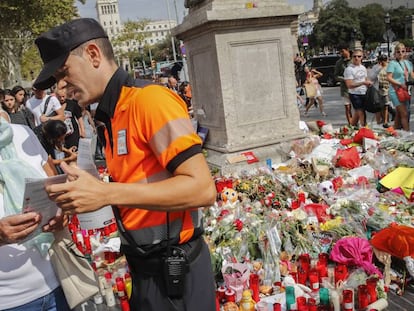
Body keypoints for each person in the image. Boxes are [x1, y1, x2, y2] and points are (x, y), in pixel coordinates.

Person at [34, 18, 217, 311]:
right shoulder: (110, 113)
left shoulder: (150, 101)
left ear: (94, 55)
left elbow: (202, 189)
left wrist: (107, 194)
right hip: (145, 271)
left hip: (176, 275)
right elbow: (140, 180)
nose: (61, 86)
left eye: (64, 72)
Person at [0, 118, 70, 311]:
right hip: (9, 301)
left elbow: (54, 186)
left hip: (57, 281)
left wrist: (62, 212)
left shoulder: (23, 134)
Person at [386, 43, 414, 131]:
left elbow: (412, 75)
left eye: (403, 51)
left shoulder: (408, 63)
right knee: (404, 114)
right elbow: (389, 77)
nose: (401, 53)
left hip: (406, 91)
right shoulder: (392, 63)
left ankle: (393, 131)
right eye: (398, 51)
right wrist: (399, 84)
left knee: (399, 114)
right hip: (395, 91)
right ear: (395, 53)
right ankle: (408, 134)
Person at [344, 48, 372, 127]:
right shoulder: (349, 69)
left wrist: (368, 83)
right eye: (355, 56)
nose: (357, 58)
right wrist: (363, 83)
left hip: (364, 92)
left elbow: (365, 79)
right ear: (352, 57)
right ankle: (364, 128)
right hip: (355, 93)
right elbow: (349, 85)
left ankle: (352, 126)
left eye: (359, 56)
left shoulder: (363, 68)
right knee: (361, 112)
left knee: (358, 112)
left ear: (362, 57)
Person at [55, 79, 85, 148]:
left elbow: (79, 117)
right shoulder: (54, 106)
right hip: (60, 134)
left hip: (72, 133)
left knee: (74, 151)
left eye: (63, 96)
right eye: (59, 97)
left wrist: (82, 130)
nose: (62, 99)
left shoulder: (72, 104)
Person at [368, 54, 392, 127]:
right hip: (377, 89)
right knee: (379, 107)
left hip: (387, 89)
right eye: (381, 61)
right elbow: (371, 77)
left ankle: (386, 121)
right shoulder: (376, 67)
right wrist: (379, 69)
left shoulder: (390, 67)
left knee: (386, 105)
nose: (383, 62)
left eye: (385, 60)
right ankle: (381, 122)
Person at [334, 44, 352, 125]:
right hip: (345, 89)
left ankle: (357, 122)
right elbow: (336, 76)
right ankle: (351, 123)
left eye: (342, 51)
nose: (341, 53)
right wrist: (344, 79)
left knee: (357, 107)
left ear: (347, 50)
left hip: (356, 87)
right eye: (340, 52)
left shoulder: (354, 59)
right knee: (348, 107)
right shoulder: (339, 63)